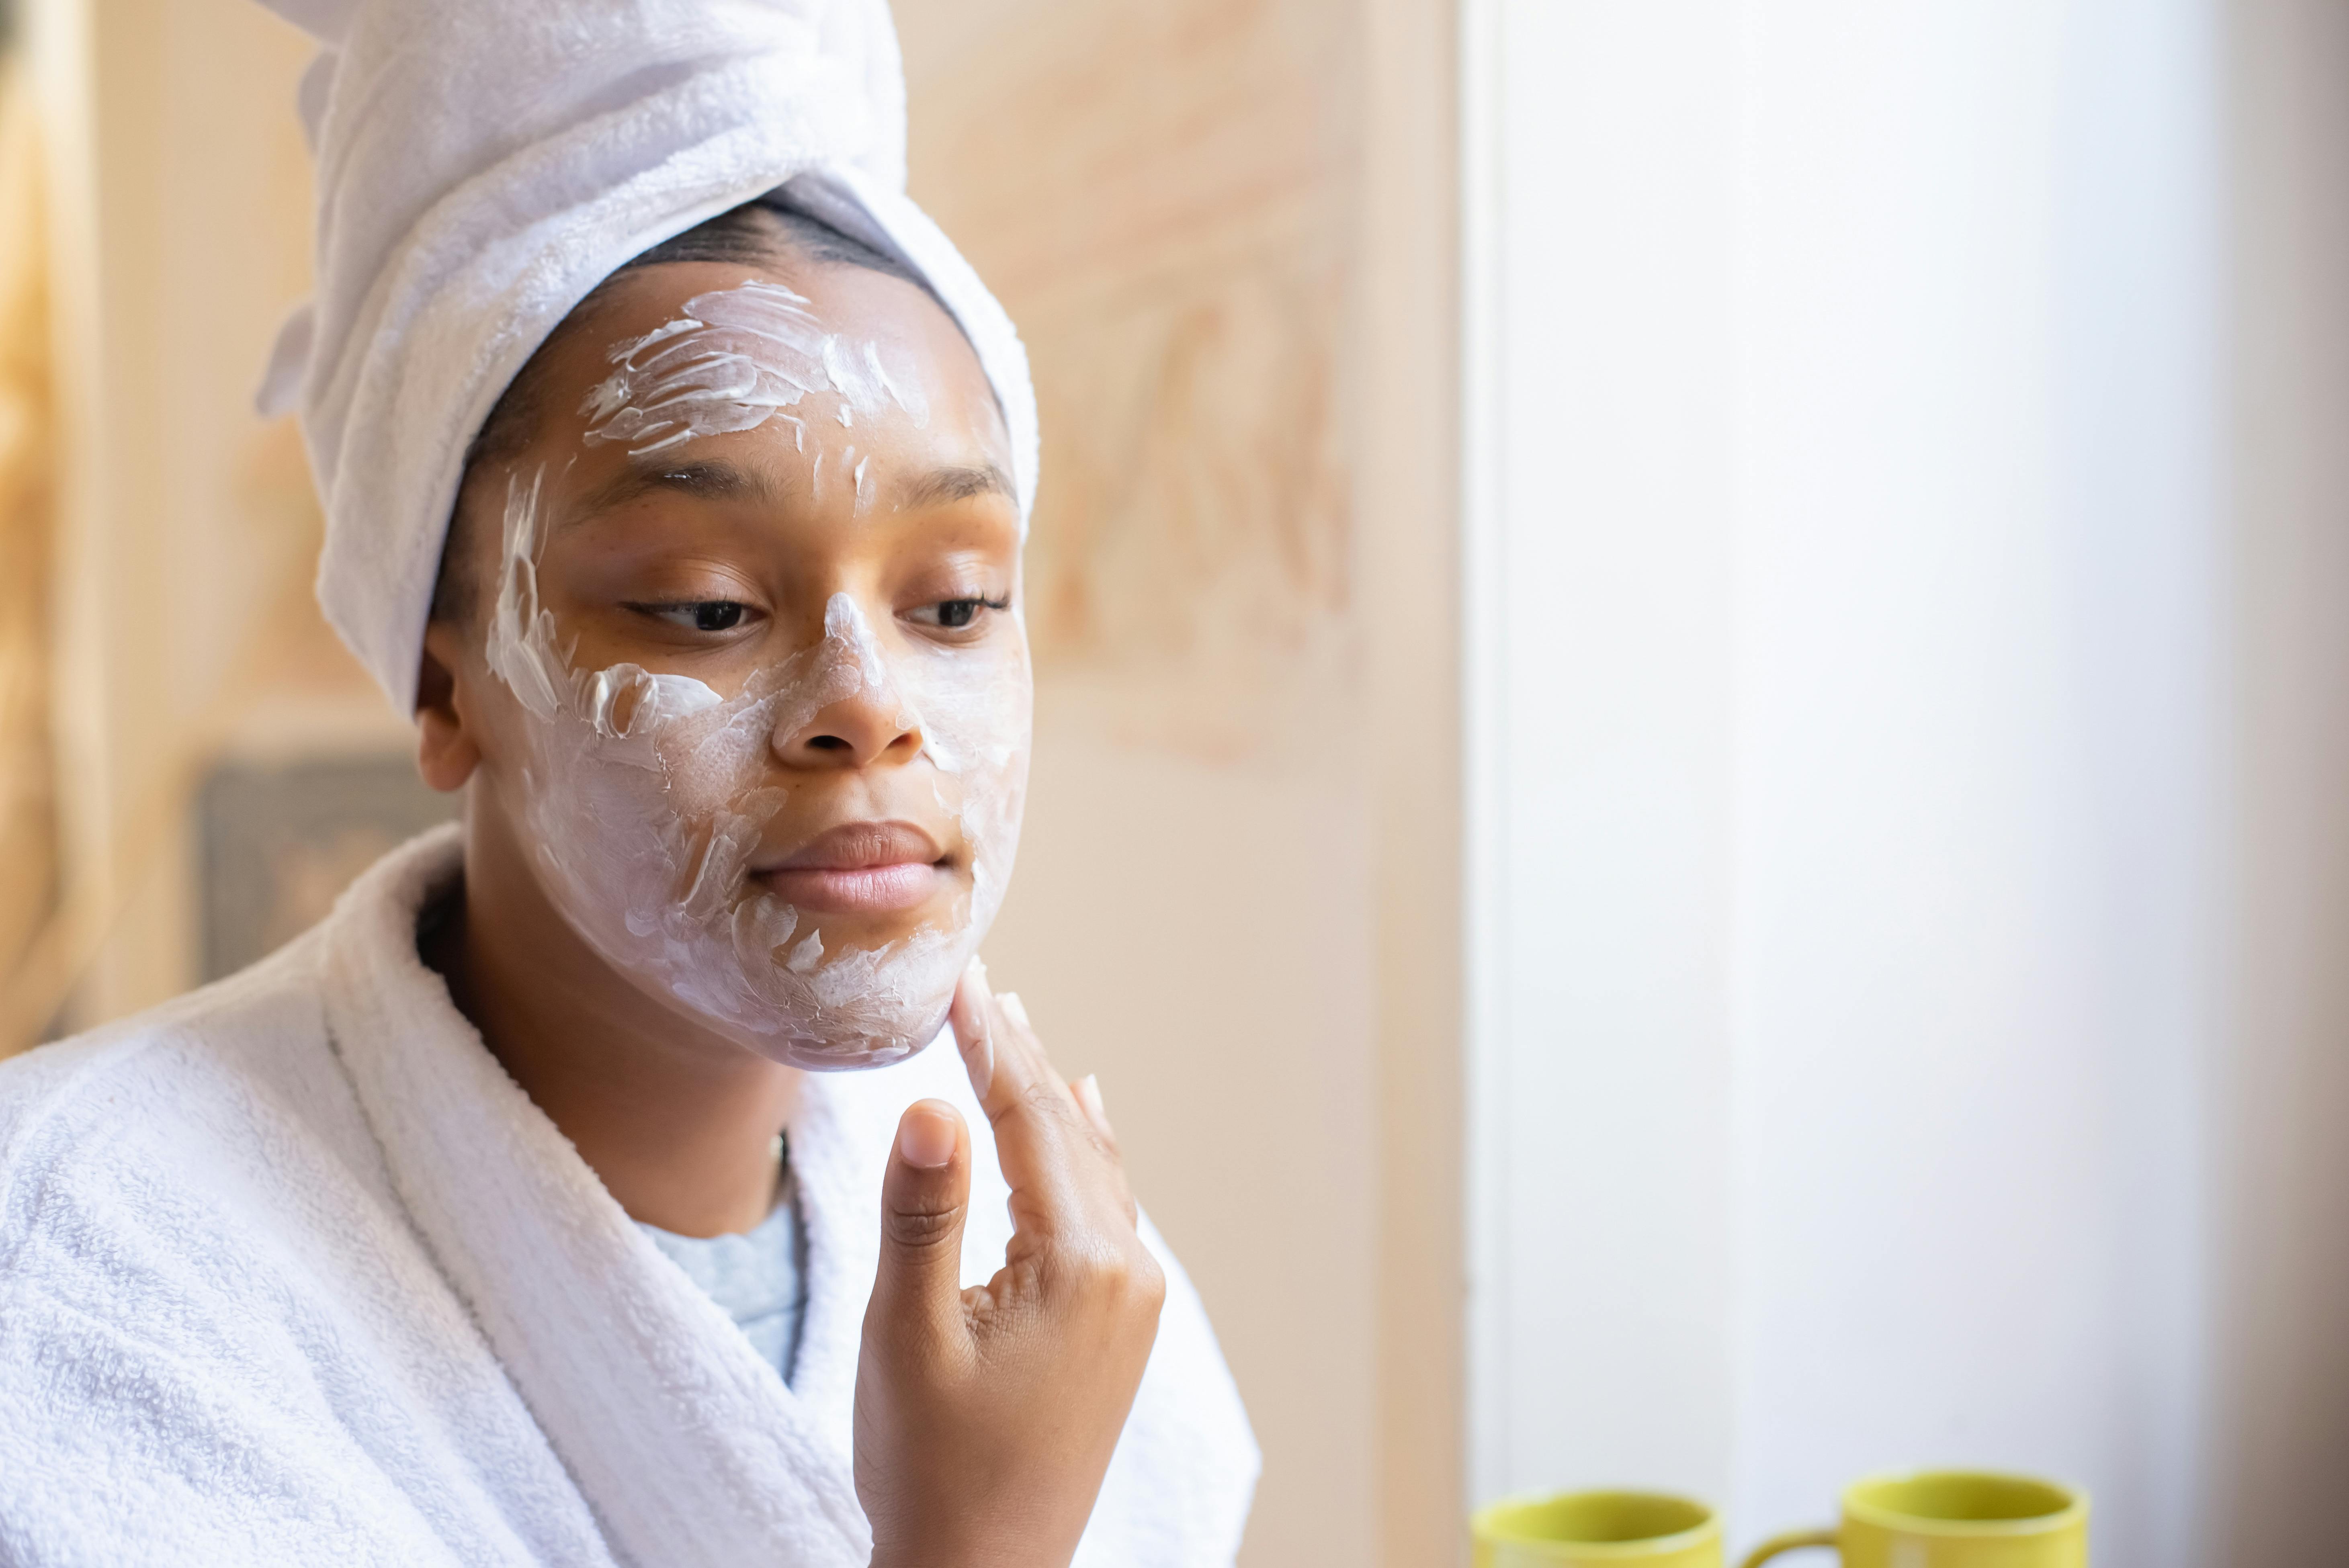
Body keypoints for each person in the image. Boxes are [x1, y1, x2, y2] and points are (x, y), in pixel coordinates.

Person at [0, 3, 1258, 1565]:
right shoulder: (80, 1283)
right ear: (445, 685)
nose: (870, 708)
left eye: (951, 603)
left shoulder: (1041, 1251)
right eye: (706, 607)